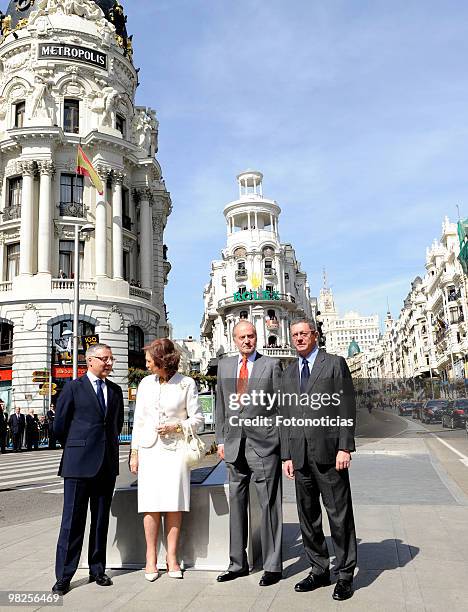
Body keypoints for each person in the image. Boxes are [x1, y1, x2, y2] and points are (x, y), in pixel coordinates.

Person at [281, 318, 357, 602]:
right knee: (308, 518)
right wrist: (286, 454)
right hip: (299, 458)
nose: (299, 338)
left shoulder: (334, 363)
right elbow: (284, 417)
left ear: (314, 335)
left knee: (339, 515)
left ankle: (346, 574)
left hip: (329, 453)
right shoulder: (288, 372)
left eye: (304, 333)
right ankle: (319, 569)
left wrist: (345, 447)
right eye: (295, 335)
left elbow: (347, 405)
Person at [52, 343, 124, 596]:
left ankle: (97, 569)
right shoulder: (73, 387)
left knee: (100, 520)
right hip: (77, 464)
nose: (109, 363)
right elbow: (59, 426)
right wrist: (77, 447)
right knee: (72, 522)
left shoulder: (115, 391)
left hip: (106, 464)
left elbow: (116, 425)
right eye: (105, 359)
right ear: (90, 361)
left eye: (111, 359)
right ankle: (64, 576)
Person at [129, 339, 204, 582]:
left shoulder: (186, 384)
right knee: (150, 505)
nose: (147, 364)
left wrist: (177, 426)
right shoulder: (144, 383)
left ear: (163, 360)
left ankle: (172, 557)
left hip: (175, 451)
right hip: (150, 450)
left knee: (174, 504)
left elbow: (198, 419)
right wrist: (134, 452)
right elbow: (138, 421)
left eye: (150, 360)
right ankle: (151, 558)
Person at [215, 320, 283, 587]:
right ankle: (237, 563)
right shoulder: (225, 366)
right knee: (236, 506)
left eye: (251, 336)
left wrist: (275, 437)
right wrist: (220, 439)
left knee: (269, 506)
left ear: (257, 338)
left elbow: (280, 406)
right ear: (234, 339)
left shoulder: (270, 365)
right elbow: (221, 403)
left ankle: (272, 565)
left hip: (263, 445)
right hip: (233, 446)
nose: (247, 340)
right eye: (242, 336)